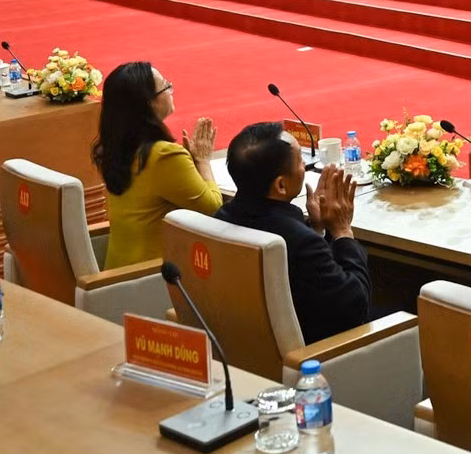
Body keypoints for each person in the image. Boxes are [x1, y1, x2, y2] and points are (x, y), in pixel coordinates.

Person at [215, 121, 370, 343]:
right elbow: (356, 308)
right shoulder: (299, 242)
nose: (305, 165)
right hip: (313, 355)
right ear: (280, 185)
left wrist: (316, 228)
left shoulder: (222, 217)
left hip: (244, 343)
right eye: (300, 161)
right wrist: (343, 231)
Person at [94, 62, 221, 269]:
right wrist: (203, 161)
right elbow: (213, 209)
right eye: (166, 86)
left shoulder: (114, 147)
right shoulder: (164, 155)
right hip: (152, 278)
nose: (171, 90)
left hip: (118, 272)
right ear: (149, 103)